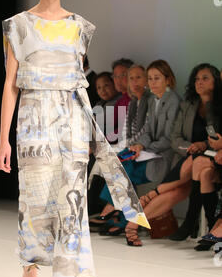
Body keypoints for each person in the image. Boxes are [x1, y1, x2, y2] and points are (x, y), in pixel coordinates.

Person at [0, 0, 149, 277]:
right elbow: (11, 85)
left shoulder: (80, 26)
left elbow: (76, 82)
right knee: (35, 201)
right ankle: (30, 263)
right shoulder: (18, 25)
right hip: (33, 122)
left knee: (72, 206)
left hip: (72, 124)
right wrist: (3, 139)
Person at [97, 59, 180, 243]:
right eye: (150, 78)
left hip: (163, 156)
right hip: (148, 153)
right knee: (123, 162)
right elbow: (148, 131)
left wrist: (143, 147)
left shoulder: (171, 100)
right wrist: (139, 146)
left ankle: (115, 208)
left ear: (168, 79)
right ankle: (121, 214)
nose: (152, 83)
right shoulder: (154, 101)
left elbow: (168, 138)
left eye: (156, 78)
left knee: (125, 167)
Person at [139, 64, 222, 244]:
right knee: (179, 187)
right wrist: (191, 147)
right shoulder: (188, 104)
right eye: (197, 79)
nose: (199, 82)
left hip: (209, 156)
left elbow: (215, 137)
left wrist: (203, 145)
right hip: (187, 154)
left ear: (216, 81)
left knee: (197, 168)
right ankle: (136, 222)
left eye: (205, 78)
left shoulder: (217, 106)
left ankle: (190, 220)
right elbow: (175, 137)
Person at [89, 65, 150, 233]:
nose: (133, 82)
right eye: (130, 78)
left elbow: (146, 131)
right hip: (133, 147)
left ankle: (112, 208)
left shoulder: (146, 101)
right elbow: (125, 132)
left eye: (137, 77)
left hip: (148, 149)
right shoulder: (131, 101)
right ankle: (121, 217)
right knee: (118, 161)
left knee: (120, 163)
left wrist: (132, 145)